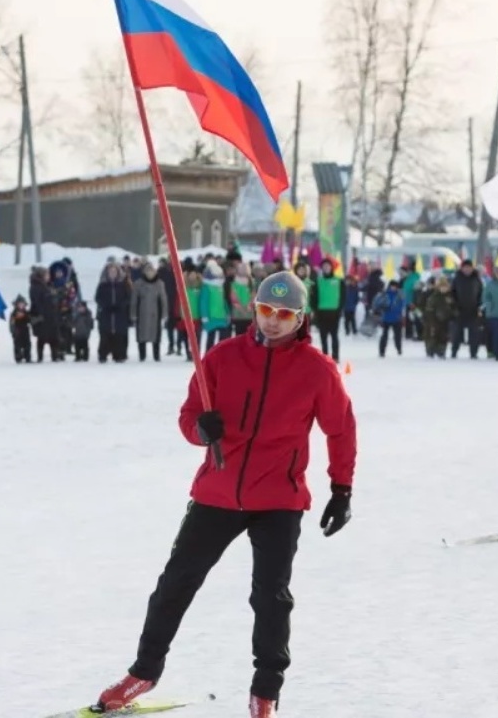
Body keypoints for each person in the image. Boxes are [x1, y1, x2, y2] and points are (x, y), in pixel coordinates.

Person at [96, 271, 357, 718]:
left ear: (301, 319)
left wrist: (341, 487)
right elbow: (189, 415)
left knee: (270, 597)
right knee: (175, 584)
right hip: (218, 490)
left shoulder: (318, 370)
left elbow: (341, 428)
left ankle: (265, 693)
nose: (273, 322)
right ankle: (143, 671)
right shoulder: (220, 357)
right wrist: (201, 429)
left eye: (284, 315)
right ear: (252, 309)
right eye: (265, 311)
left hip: (279, 499)